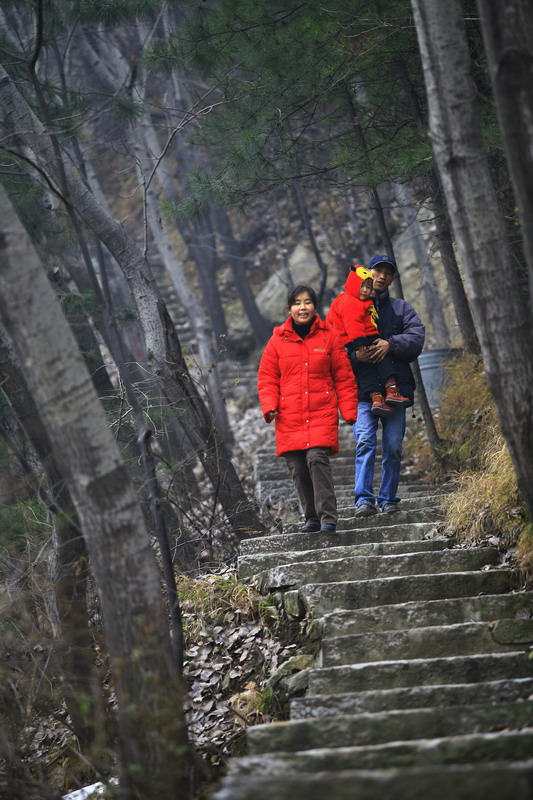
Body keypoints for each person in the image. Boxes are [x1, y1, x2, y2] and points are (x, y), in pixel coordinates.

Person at [327, 255, 425, 516]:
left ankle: (389, 498)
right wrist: (354, 357)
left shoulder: (402, 308)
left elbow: (416, 338)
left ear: (392, 279)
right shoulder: (345, 304)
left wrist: (389, 344)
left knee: (393, 447)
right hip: (361, 390)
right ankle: (363, 499)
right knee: (365, 442)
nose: (382, 276)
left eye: (388, 273)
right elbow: (330, 349)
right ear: (367, 273)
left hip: (396, 391)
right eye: (377, 271)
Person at [258, 285, 357, 533]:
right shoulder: (277, 341)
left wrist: (349, 411)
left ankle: (328, 517)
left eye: (308, 302)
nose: (303, 308)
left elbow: (343, 377)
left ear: (315, 306)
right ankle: (311, 517)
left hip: (320, 412)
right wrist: (270, 406)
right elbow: (267, 377)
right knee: (298, 468)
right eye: (297, 303)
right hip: (289, 416)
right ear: (289, 308)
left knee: (316, 459)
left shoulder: (329, 337)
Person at [326, 264, 412, 417]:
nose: (366, 290)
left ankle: (377, 399)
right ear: (353, 285)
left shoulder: (355, 301)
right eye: (362, 286)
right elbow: (353, 325)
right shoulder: (350, 302)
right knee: (381, 356)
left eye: (368, 287)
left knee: (366, 369)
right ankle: (391, 390)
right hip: (356, 339)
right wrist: (360, 344)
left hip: (355, 340)